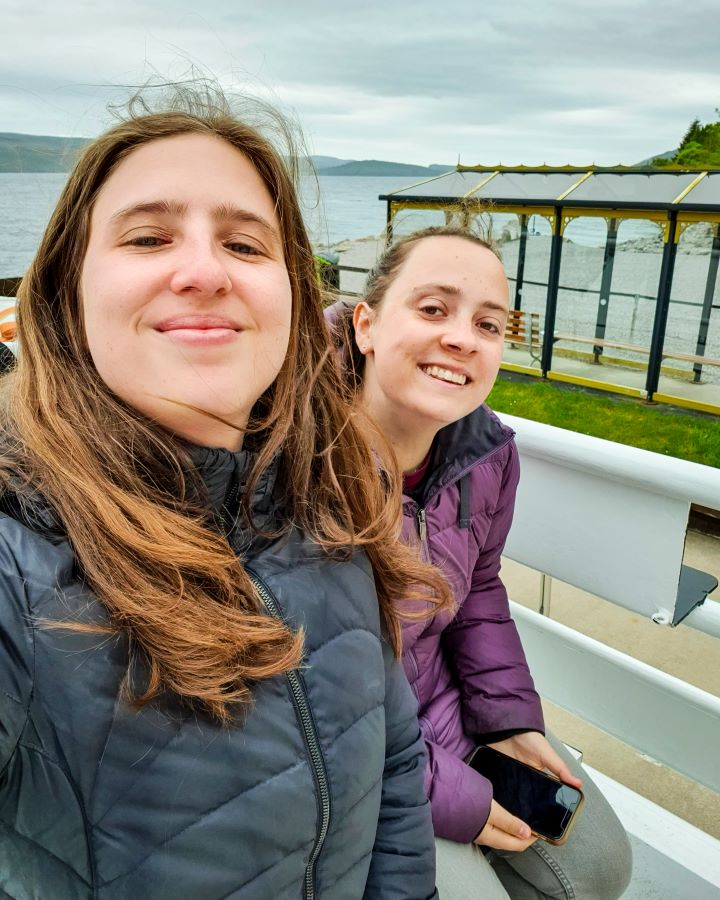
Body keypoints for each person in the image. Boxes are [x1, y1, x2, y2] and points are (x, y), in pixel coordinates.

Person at [0, 93, 453, 899]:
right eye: (148, 237)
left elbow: (394, 760)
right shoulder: (18, 545)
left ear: (290, 296)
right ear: (69, 292)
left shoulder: (330, 498)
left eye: (245, 244)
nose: (204, 272)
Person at [328, 225, 633, 900]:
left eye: (488, 324)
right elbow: (309, 689)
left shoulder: (487, 456)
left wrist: (510, 719)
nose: (463, 338)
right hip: (352, 750)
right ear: (367, 324)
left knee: (602, 869)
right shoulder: (300, 460)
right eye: (433, 309)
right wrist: (445, 788)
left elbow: (480, 591)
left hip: (449, 710)